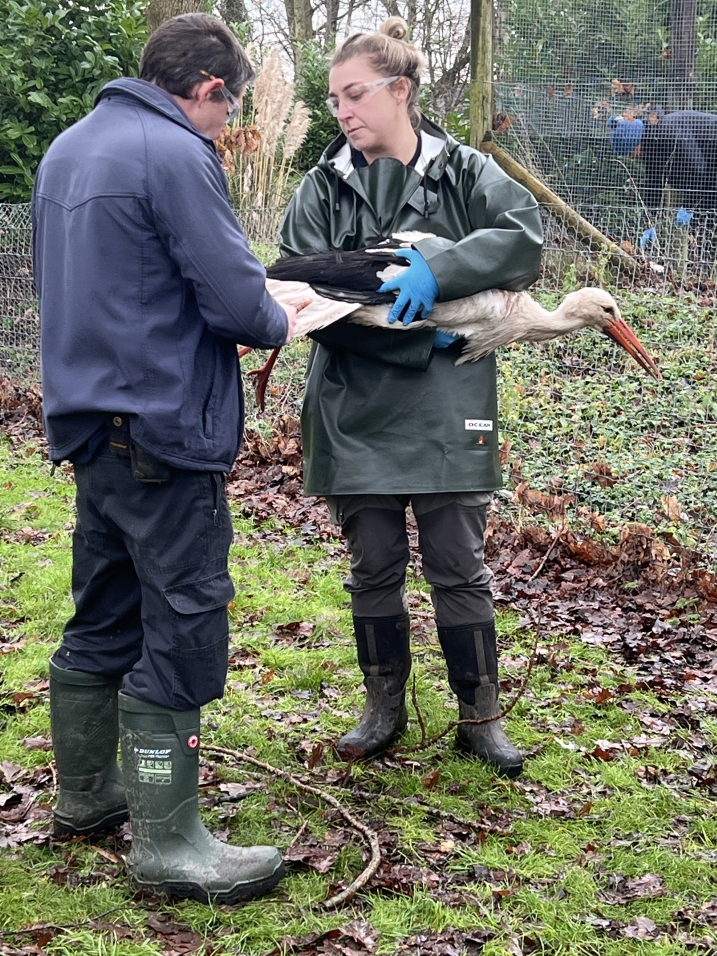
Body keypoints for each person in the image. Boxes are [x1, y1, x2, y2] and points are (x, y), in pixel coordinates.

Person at [32, 13, 298, 904]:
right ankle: (170, 843)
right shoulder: (176, 152)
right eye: (230, 108)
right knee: (183, 615)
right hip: (162, 423)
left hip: (89, 422)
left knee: (103, 604)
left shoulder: (69, 148)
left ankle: (86, 795)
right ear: (210, 89)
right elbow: (235, 302)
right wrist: (280, 316)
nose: (226, 127)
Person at [279, 18, 543, 778]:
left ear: (401, 91)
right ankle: (382, 706)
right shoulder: (323, 186)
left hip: (450, 401)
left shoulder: (465, 173)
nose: (343, 112)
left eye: (355, 94)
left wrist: (443, 270)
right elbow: (303, 297)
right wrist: (414, 339)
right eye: (333, 100)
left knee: (458, 565)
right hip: (353, 407)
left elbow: (522, 240)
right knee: (374, 566)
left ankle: (480, 714)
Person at [608, 110, 717, 254]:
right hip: (710, 179)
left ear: (636, 141)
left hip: (710, 169)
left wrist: (689, 206)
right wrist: (649, 222)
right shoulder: (653, 145)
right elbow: (653, 183)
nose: (632, 156)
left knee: (702, 222)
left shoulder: (669, 131)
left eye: (630, 151)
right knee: (701, 226)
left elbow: (699, 170)